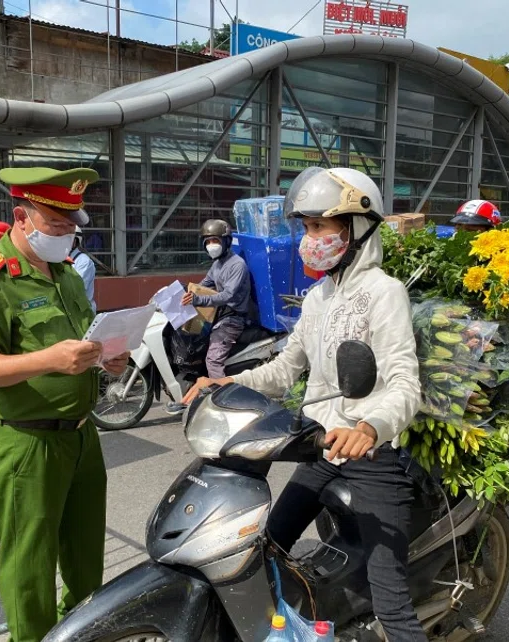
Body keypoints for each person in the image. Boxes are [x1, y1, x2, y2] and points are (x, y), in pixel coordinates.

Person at [183, 167, 426, 641]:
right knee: (265, 550)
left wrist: (370, 428)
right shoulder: (319, 297)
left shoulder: (383, 293)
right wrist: (224, 380)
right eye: (307, 228)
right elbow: (284, 369)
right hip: (320, 446)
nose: (309, 239)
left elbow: (404, 381)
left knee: (390, 599)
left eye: (320, 227)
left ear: (356, 229)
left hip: (371, 454)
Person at [0, 166, 129, 642]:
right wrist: (48, 359)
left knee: (84, 553)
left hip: (80, 436)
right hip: (25, 443)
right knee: (30, 565)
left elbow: (82, 340)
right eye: (56, 224)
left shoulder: (67, 274)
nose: (67, 234)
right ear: (22, 216)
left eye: (72, 224)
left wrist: (104, 359)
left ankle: (81, 633)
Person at [167, 219, 253, 415]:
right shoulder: (217, 264)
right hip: (218, 316)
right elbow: (204, 284)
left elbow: (227, 296)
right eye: (207, 242)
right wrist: (186, 293)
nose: (211, 245)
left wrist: (198, 299)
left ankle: (224, 403)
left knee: (213, 360)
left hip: (232, 319)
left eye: (214, 240)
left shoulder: (237, 265)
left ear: (226, 241)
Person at [70, 225, 97, 313]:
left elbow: (76, 289)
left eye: (68, 238)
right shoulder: (60, 259)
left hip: (83, 312)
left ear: (76, 241)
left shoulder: (83, 261)